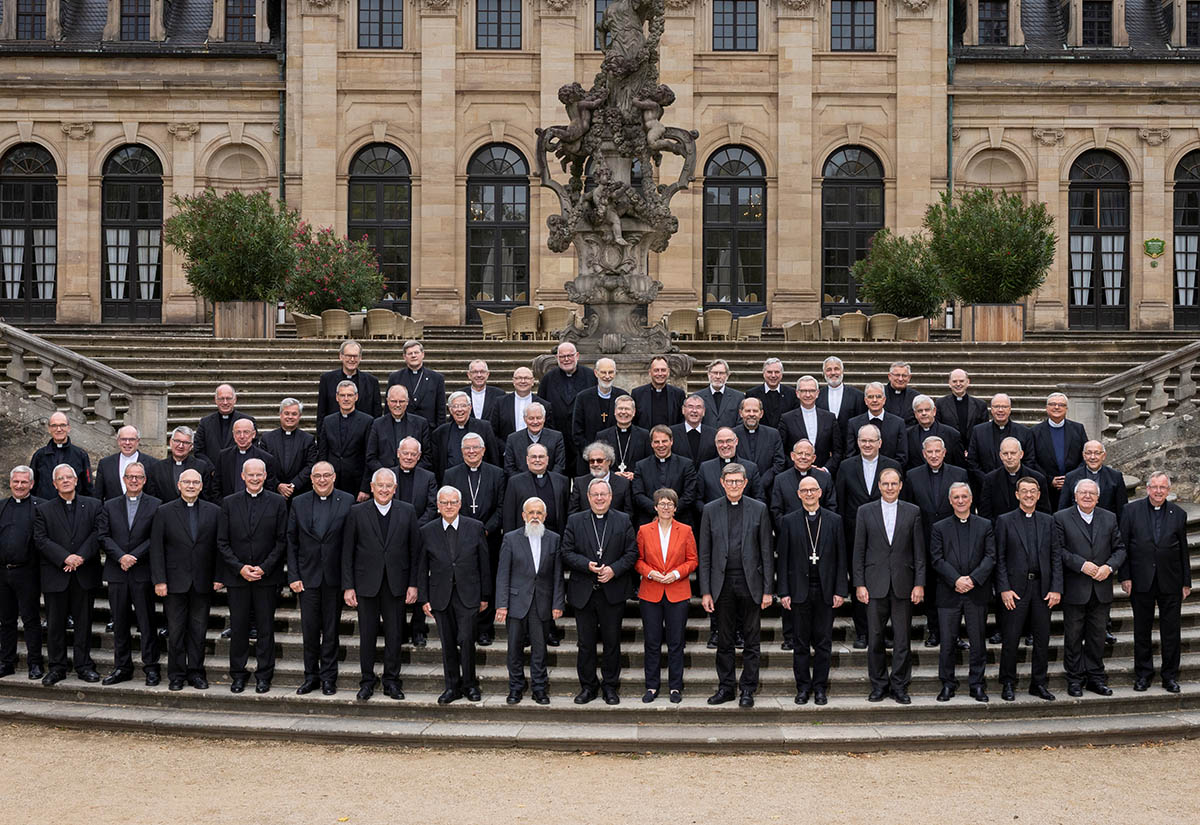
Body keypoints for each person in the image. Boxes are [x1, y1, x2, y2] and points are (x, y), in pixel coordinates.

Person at [698, 463, 773, 708]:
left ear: (745, 482)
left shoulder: (759, 509)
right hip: (722, 583)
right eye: (729, 481)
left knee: (752, 640)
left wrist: (768, 590)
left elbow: (766, 551)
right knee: (725, 639)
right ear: (722, 483)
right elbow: (705, 553)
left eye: (738, 481)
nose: (733, 485)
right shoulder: (710, 510)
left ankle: (748, 689)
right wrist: (705, 590)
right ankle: (726, 687)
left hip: (750, 582)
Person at [342, 468, 420, 701]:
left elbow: (414, 552)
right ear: (372, 487)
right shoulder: (356, 512)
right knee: (367, 635)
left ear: (395, 489)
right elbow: (347, 552)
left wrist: (413, 584)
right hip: (366, 584)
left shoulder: (407, 511)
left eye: (389, 486)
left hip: (396, 584)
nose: (384, 490)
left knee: (394, 635)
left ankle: (391, 681)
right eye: (380, 485)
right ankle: (367, 681)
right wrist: (349, 586)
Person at [561, 478, 638, 705]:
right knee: (585, 643)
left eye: (603, 494)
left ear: (611, 496)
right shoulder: (575, 520)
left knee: (612, 641)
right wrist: (587, 565)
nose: (599, 498)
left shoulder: (623, 520)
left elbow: (632, 553)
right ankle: (588, 687)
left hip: (612, 591)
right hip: (583, 591)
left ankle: (610, 687)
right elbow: (566, 552)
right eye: (595, 495)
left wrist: (614, 570)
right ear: (588, 497)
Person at [852, 467, 925, 704]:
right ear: (879, 486)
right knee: (875, 638)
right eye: (885, 484)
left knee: (902, 639)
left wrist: (919, 584)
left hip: (904, 585)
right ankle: (879, 685)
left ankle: (899, 686)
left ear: (901, 485)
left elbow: (919, 553)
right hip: (874, 585)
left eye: (894, 484)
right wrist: (859, 584)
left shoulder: (913, 512)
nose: (890, 488)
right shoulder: (865, 511)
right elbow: (859, 551)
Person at [216, 458, 287, 694]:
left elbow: (281, 540)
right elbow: (222, 542)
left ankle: (264, 674)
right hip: (238, 578)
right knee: (238, 627)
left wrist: (264, 567)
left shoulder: (278, 503)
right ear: (243, 477)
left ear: (265, 476)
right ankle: (238, 674)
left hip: (267, 577)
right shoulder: (228, 503)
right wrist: (240, 568)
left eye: (259, 475)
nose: (255, 479)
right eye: (251, 475)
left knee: (266, 628)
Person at [776, 476, 847, 705]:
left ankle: (820, 688)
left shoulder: (835, 520)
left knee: (824, 643)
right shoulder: (788, 521)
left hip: (826, 590)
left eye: (813, 490)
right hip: (798, 591)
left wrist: (840, 590)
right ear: (798, 494)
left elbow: (841, 559)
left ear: (820, 492)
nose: (809, 494)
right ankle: (802, 688)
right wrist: (783, 592)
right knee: (800, 643)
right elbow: (783, 559)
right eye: (804, 490)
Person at [1053, 478, 1126, 697]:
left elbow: (1120, 549)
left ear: (1098, 497)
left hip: (1101, 588)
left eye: (1091, 493)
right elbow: (1058, 550)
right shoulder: (1061, 518)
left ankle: (1096, 678)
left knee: (1097, 636)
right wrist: (1081, 565)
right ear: (1075, 496)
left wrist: (1109, 567)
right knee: (1073, 637)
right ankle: (1074, 679)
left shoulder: (1110, 517)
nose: (1087, 496)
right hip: (1076, 588)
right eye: (1083, 492)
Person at [150, 469, 221, 691]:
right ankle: (176, 675)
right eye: (186, 482)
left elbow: (220, 547)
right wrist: (159, 580)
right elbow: (156, 549)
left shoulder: (214, 511)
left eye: (195, 482)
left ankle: (196, 673)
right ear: (179, 485)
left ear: (201, 486)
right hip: (174, 582)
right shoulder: (163, 511)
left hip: (202, 581)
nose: (191, 485)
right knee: (176, 631)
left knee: (198, 631)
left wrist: (219, 577)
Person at [418, 486, 491, 704]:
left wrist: (485, 596)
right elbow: (421, 566)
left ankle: (469, 685)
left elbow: (484, 564)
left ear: (460, 504)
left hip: (468, 594)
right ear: (438, 506)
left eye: (452, 502)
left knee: (467, 640)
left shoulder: (475, 527)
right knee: (447, 642)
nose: (449, 506)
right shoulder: (427, 530)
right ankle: (452, 687)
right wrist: (424, 598)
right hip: (440, 595)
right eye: (444, 503)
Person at [286, 461, 354, 696]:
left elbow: (350, 545)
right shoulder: (298, 502)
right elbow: (291, 542)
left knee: (332, 630)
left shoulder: (347, 500)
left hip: (334, 578)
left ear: (334, 477)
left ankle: (328, 678)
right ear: (311, 479)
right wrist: (293, 575)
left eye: (326, 475)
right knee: (310, 630)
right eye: (317, 476)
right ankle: (310, 677)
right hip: (308, 578)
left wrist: (349, 583)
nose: (322, 480)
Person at [1119, 471, 1191, 693]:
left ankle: (1170, 676)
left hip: (1171, 581)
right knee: (1142, 630)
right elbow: (1123, 546)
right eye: (1154, 487)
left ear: (1168, 490)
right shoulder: (1130, 511)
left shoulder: (1178, 514)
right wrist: (1125, 576)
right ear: (1147, 488)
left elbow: (1183, 550)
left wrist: (1186, 582)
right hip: (1141, 581)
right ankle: (1143, 674)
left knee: (1171, 632)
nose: (1158, 491)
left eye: (1162, 487)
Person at [834, 424, 903, 649]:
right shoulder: (846, 466)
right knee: (860, 584)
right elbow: (840, 503)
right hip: (855, 537)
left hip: (887, 537)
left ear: (880, 443)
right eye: (863, 440)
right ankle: (863, 633)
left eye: (871, 441)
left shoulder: (893, 466)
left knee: (886, 587)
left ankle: (883, 633)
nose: (867, 444)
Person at [32, 464, 102, 685]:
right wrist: (65, 557)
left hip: (84, 573)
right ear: (54, 484)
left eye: (68, 477)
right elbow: (41, 540)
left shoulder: (93, 505)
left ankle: (83, 665)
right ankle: (57, 667)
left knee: (84, 622)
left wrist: (80, 557)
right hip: (56, 573)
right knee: (55, 624)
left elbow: (97, 533)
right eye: (60, 478)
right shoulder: (44, 509)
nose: (65, 481)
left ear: (76, 480)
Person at [995, 476, 1061, 702]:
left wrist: (1056, 588)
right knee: (1011, 638)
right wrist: (1003, 588)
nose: (1029, 495)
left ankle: (1039, 683)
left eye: (1033, 491)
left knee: (1042, 639)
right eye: (1024, 491)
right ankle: (1008, 683)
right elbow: (1000, 558)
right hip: (1015, 589)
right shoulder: (1004, 521)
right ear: (1017, 494)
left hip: (1043, 588)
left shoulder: (1048, 521)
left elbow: (1055, 557)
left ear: (1039, 494)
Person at [96, 461, 162, 686]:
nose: (134, 480)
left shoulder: (156, 505)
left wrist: (133, 556)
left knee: (147, 622)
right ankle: (122, 667)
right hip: (117, 572)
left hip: (142, 572)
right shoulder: (110, 505)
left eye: (138, 477)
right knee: (120, 623)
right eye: (130, 476)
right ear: (123, 479)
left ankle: (151, 667)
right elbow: (103, 535)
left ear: (144, 480)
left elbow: (156, 537)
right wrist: (120, 557)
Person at [929, 482, 996, 702]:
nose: (960, 501)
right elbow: (937, 559)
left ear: (971, 498)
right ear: (950, 500)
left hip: (977, 592)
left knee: (978, 642)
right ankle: (947, 684)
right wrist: (956, 579)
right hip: (949, 592)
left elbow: (990, 557)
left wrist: (973, 579)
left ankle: (977, 684)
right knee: (947, 642)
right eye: (956, 497)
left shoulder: (985, 525)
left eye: (964, 497)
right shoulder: (939, 527)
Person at [495, 497, 564, 705]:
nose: (535, 516)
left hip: (542, 603)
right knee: (514, 648)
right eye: (531, 513)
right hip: (516, 603)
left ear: (545, 516)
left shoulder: (553, 539)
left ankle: (539, 689)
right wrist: (502, 604)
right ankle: (515, 688)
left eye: (539, 513)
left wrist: (557, 603)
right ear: (524, 516)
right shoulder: (510, 538)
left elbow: (557, 575)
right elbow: (503, 573)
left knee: (540, 649)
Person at [901, 435, 969, 648]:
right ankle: (934, 632)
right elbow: (909, 509)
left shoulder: (959, 473)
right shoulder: (912, 476)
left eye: (937, 451)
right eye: (929, 452)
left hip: (953, 540)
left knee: (952, 588)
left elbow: (963, 504)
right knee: (929, 589)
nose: (933, 455)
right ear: (923, 454)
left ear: (944, 452)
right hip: (924, 539)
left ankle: (954, 634)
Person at [443, 432, 506, 646]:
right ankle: (464, 630)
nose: (471, 452)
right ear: (461, 452)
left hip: (489, 538)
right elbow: (447, 505)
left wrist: (485, 530)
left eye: (475, 448)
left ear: (483, 450)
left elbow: (501, 508)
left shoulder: (497, 474)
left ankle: (484, 629)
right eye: (467, 449)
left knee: (486, 582)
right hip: (460, 540)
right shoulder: (451, 474)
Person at [635, 488, 698, 703]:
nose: (665, 507)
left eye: (670, 504)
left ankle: (675, 687)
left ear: (675, 508)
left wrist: (676, 573)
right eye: (662, 503)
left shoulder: (686, 530)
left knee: (676, 642)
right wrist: (651, 573)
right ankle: (651, 686)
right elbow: (638, 560)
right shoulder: (644, 530)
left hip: (677, 591)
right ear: (655, 507)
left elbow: (692, 560)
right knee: (652, 642)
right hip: (650, 592)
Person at [389, 436, 438, 647]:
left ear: (419, 456)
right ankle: (398, 629)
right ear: (398, 454)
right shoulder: (388, 476)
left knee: (419, 583)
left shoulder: (428, 477)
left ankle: (418, 629)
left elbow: (432, 506)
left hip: (420, 538)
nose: (409, 457)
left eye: (413, 454)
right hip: (393, 539)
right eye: (405, 453)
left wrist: (416, 527)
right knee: (397, 586)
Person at [0, 466, 45, 680]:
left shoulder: (41, 507)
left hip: (27, 573)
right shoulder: (1, 506)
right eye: (16, 482)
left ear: (32, 484)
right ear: (10, 483)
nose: (19, 486)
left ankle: (34, 663)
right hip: (2, 572)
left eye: (24, 482)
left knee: (30, 620)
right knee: (6, 620)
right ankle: (7, 662)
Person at [538, 342, 597, 471]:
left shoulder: (591, 377)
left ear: (577, 356)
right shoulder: (548, 379)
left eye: (569, 355)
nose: (566, 359)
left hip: (583, 439)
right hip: (558, 438)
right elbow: (541, 408)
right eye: (562, 356)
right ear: (557, 358)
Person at [633, 425, 699, 527]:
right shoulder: (641, 466)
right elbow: (638, 495)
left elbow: (689, 495)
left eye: (664, 441)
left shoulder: (686, 464)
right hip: (649, 521)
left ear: (671, 441)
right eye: (656, 442)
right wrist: (659, 512)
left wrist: (669, 512)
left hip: (680, 521)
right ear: (651, 444)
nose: (661, 445)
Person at [317, 380, 373, 499]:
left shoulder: (367, 421)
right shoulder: (328, 421)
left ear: (356, 397)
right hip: (332, 483)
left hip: (356, 485)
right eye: (342, 395)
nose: (346, 399)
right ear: (337, 397)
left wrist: (365, 488)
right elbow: (323, 454)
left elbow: (370, 456)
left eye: (349, 395)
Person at [571, 357, 629, 472]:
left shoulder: (623, 396)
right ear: (596, 373)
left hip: (616, 460)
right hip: (589, 461)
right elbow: (577, 432)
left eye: (611, 372)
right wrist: (593, 454)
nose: (607, 376)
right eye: (603, 372)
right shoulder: (583, 398)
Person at [778, 375, 841, 478]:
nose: (808, 395)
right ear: (797, 393)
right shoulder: (786, 419)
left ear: (817, 393)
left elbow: (838, 451)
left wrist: (825, 469)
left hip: (823, 476)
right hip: (795, 475)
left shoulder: (829, 418)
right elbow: (781, 451)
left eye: (811, 391)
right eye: (803, 391)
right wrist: (798, 466)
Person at [503, 443, 571, 536]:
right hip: (525, 537)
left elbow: (567, 512)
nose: (537, 460)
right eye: (533, 457)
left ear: (547, 460)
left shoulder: (562, 481)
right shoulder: (515, 482)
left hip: (555, 537)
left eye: (541, 457)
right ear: (527, 460)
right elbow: (509, 516)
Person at [366, 384, 433, 478]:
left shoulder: (421, 424)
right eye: (394, 401)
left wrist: (412, 470)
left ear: (407, 402)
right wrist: (385, 474)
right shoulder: (377, 424)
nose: (397, 405)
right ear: (388, 402)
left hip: (414, 478)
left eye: (401, 401)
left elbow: (427, 456)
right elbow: (371, 457)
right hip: (385, 480)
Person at [431, 391, 501, 479]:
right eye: (455, 406)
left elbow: (493, 458)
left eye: (463, 405)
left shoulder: (484, 428)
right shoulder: (440, 433)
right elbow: (437, 464)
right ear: (450, 410)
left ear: (470, 407)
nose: (459, 410)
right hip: (451, 481)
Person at [769, 439, 837, 529]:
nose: (803, 457)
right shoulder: (780, 479)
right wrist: (786, 530)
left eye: (808, 454)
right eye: (800, 453)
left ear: (813, 458)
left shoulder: (825, 478)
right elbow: (776, 510)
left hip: (820, 531)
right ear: (792, 456)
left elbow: (831, 507)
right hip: (790, 533)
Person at [980, 436, 1051, 521]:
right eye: (1005, 454)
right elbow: (985, 513)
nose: (1009, 457)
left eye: (1013, 453)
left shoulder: (1038, 478)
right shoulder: (990, 479)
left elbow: (1044, 512)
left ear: (1021, 454)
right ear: (1000, 456)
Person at [260, 398, 318, 503]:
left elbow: (311, 465)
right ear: (280, 414)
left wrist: (293, 485)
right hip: (273, 493)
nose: (290, 417)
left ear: (299, 416)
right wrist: (277, 485)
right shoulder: (267, 439)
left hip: (300, 494)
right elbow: (263, 465)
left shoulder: (308, 439)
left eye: (294, 414)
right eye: (286, 413)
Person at [1030, 392, 1088, 494]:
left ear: (1066, 409)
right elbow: (1032, 460)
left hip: (1073, 487)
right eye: (1052, 404)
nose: (1056, 407)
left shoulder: (1078, 429)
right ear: (1046, 408)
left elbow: (1085, 456)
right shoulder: (1034, 432)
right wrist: (1049, 479)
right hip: (1046, 488)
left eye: (1061, 405)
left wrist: (1071, 478)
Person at [315, 339, 382, 425]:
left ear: (360, 357)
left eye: (355, 356)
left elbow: (377, 414)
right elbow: (321, 412)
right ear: (341, 356)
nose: (352, 359)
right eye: (348, 356)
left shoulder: (372, 382)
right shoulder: (327, 380)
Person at [967, 393, 1035, 477]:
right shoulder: (978, 431)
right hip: (985, 484)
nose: (1000, 410)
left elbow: (1029, 460)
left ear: (1010, 409)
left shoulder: (1024, 432)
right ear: (991, 410)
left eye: (1004, 407)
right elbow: (972, 461)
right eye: (996, 407)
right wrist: (987, 480)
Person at [213, 418, 281, 500]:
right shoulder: (223, 456)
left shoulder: (266, 458)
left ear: (253, 434)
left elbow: (270, 488)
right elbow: (216, 486)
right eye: (238, 432)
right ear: (233, 435)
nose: (242, 436)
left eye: (246, 432)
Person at [30, 411, 93, 499]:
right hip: (45, 508)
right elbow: (32, 486)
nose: (59, 429)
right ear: (49, 429)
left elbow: (88, 486)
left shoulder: (80, 455)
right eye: (54, 426)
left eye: (63, 425)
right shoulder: (39, 456)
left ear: (69, 428)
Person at [1059, 440, 1127, 519]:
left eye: (1097, 453)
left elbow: (1122, 509)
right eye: (1088, 453)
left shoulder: (1115, 477)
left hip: (1106, 525)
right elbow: (1063, 508)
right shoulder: (1071, 477)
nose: (1092, 457)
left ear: (1104, 456)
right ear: (1084, 455)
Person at [844, 382, 907, 467]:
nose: (874, 400)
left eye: (878, 396)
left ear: (884, 400)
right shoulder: (853, 423)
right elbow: (850, 454)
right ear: (865, 401)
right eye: (870, 397)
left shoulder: (898, 423)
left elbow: (902, 456)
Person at [732, 397, 786, 496]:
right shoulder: (733, 434)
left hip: (768, 489)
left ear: (761, 414)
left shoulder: (773, 434)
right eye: (748, 411)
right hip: (739, 488)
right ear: (741, 413)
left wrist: (763, 482)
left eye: (755, 411)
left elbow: (779, 462)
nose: (751, 414)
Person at [147, 426, 216, 503]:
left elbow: (207, 496)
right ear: (170, 442)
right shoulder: (157, 468)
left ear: (191, 446)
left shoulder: (202, 467)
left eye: (186, 443)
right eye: (177, 441)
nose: (180, 446)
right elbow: (152, 497)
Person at [387, 340, 446, 429]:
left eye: (416, 352)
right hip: (402, 427)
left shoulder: (437, 378)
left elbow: (441, 409)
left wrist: (440, 431)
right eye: (410, 353)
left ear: (423, 354)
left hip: (429, 429)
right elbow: (389, 406)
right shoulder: (395, 377)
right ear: (404, 357)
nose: (413, 355)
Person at [194, 384, 256, 465]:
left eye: (229, 398)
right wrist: (211, 469)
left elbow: (254, 448)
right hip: (212, 473)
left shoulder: (248, 421)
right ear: (215, 400)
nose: (225, 402)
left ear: (235, 399)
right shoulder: (205, 422)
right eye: (221, 399)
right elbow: (198, 451)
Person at [699, 427, 764, 504]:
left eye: (729, 441)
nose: (725, 445)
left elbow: (759, 498)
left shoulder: (751, 468)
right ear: (716, 444)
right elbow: (698, 499)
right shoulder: (705, 468)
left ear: (736, 441)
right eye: (720, 442)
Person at [568, 441, 634, 516]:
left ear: (609, 461)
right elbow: (573, 514)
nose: (595, 464)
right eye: (592, 461)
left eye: (599, 461)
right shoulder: (579, 483)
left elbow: (629, 514)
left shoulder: (623, 484)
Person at [94, 425, 157, 502]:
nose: (127, 443)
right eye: (123, 439)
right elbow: (98, 496)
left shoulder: (153, 464)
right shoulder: (105, 464)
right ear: (118, 441)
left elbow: (154, 495)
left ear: (138, 441)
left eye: (131, 439)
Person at [492, 366, 554, 442]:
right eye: (519, 378)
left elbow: (549, 433)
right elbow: (493, 431)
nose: (523, 381)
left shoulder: (544, 405)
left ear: (533, 381)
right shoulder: (500, 403)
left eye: (527, 378)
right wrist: (506, 449)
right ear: (513, 381)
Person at [503, 402, 566, 476]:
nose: (535, 422)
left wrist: (548, 481)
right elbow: (509, 467)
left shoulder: (556, 437)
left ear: (544, 418)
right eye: (531, 418)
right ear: (525, 419)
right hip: (521, 484)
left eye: (539, 418)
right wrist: (521, 483)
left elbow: (559, 465)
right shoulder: (512, 439)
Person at [816, 355, 866, 445]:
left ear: (842, 371)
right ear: (823, 373)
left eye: (836, 369)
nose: (833, 372)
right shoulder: (817, 396)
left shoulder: (857, 396)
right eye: (829, 370)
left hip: (850, 447)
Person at [596, 396, 650, 477]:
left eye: (627, 409)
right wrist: (611, 475)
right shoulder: (602, 436)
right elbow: (598, 463)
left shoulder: (644, 435)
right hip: (610, 485)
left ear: (634, 412)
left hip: (636, 484)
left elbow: (648, 462)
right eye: (620, 408)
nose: (623, 412)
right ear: (615, 411)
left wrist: (635, 475)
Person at [905, 395, 963, 470]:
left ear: (934, 411)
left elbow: (960, 466)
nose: (924, 413)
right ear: (915, 414)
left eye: (927, 410)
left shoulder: (952, 434)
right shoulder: (907, 434)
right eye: (920, 411)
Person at [935, 368, 989, 448]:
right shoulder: (940, 404)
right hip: (949, 450)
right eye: (954, 381)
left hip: (973, 450)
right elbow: (938, 429)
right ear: (949, 383)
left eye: (961, 381)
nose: (958, 384)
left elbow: (983, 431)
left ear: (968, 382)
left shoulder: (980, 405)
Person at [630, 355, 685, 429]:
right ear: (650, 372)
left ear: (668, 372)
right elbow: (633, 422)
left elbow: (682, 421)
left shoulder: (678, 394)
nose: (660, 374)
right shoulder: (637, 394)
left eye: (663, 370)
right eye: (656, 370)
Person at [745, 357, 798, 430]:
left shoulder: (792, 394)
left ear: (782, 374)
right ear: (763, 373)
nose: (773, 375)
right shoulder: (752, 394)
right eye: (769, 372)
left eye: (777, 372)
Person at [669, 394, 718, 468]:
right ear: (683, 410)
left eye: (698, 407)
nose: (694, 411)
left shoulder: (714, 434)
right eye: (690, 407)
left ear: (704, 411)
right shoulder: (671, 433)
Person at [696, 359, 744, 429]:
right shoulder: (698, 397)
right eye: (715, 373)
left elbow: (741, 422)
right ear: (709, 374)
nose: (718, 376)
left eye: (721, 373)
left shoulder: (738, 397)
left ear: (727, 375)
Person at [459, 359, 504, 423]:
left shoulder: (499, 394)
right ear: (469, 375)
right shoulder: (460, 394)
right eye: (475, 372)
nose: (479, 375)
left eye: (482, 372)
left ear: (487, 374)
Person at [882, 361, 919, 426]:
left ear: (909, 377)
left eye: (904, 375)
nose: (900, 379)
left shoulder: (916, 397)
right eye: (897, 375)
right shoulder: (880, 394)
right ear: (889, 376)